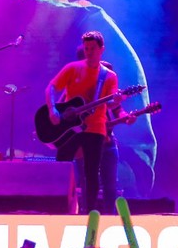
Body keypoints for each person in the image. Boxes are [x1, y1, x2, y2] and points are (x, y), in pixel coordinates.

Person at [46, 30, 131, 213]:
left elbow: (112, 106)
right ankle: (68, 211)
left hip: (101, 134)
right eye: (86, 49)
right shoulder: (73, 69)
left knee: (100, 180)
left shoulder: (108, 76)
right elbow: (57, 94)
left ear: (101, 50)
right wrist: (53, 115)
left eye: (92, 48)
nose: (89, 52)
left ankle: (97, 217)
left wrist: (120, 106)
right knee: (71, 173)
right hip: (75, 132)